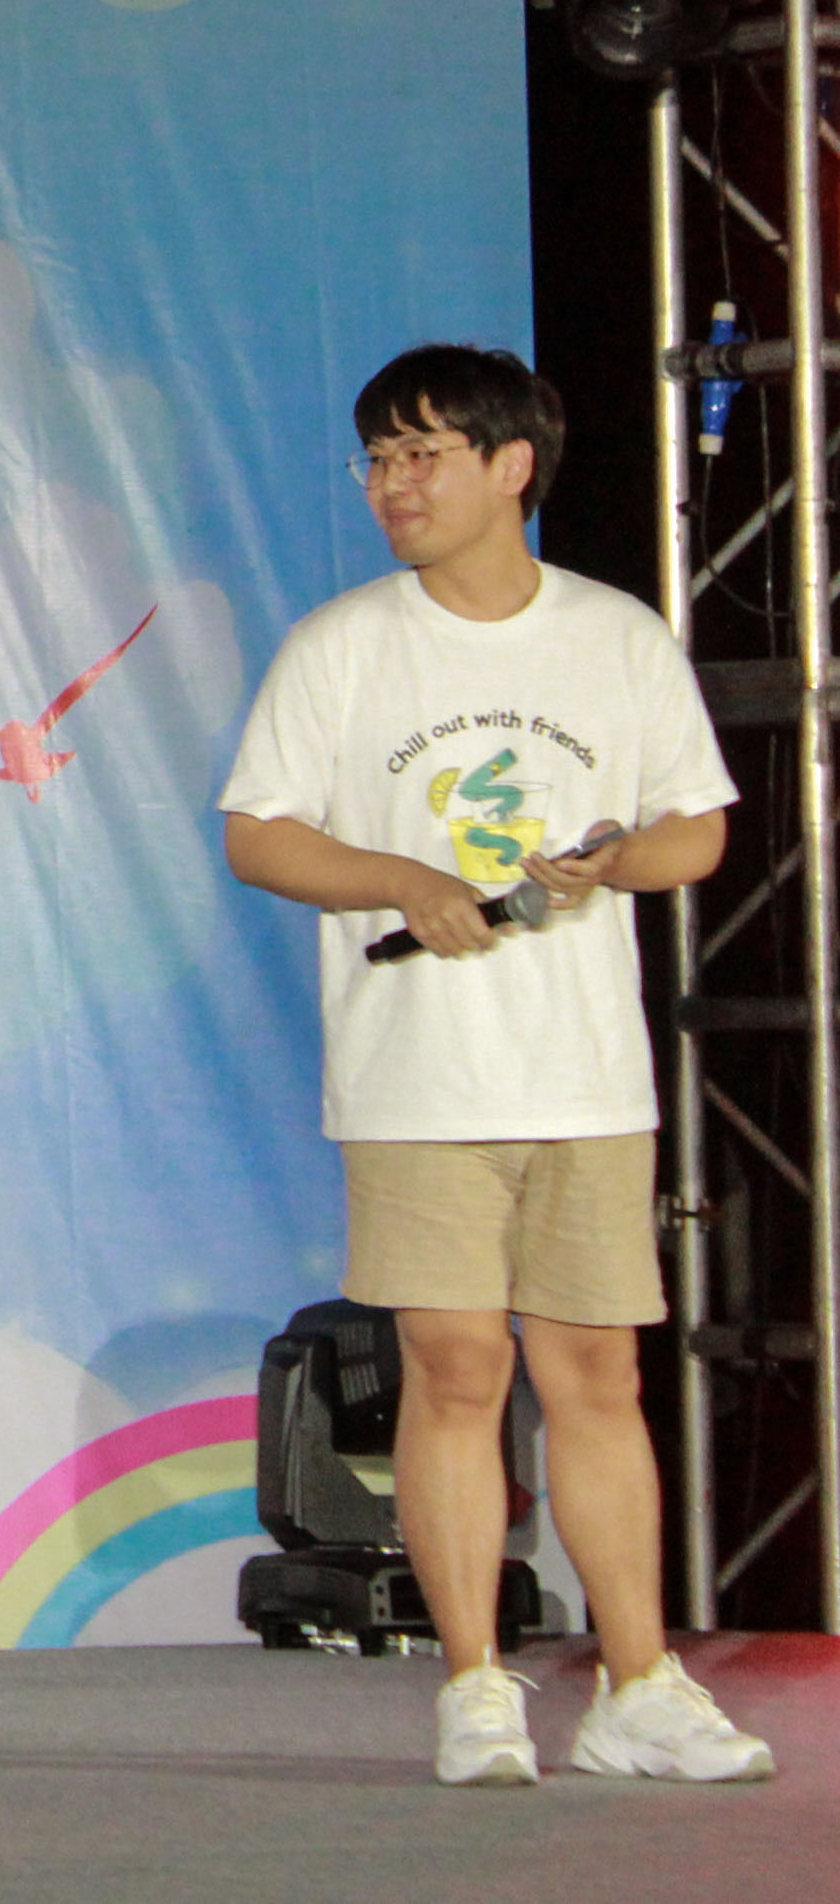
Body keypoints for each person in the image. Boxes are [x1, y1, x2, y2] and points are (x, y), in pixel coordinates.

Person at [220, 343, 774, 1789]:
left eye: (423, 453)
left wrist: (615, 860)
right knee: (455, 1364)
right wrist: (405, 878)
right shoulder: (342, 644)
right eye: (377, 458)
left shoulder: (615, 635)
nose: (392, 483)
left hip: (585, 1072)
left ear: (511, 465)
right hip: (418, 1075)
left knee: (597, 1369)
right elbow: (259, 834)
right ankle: (474, 1683)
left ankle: (638, 1682)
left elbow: (698, 829)